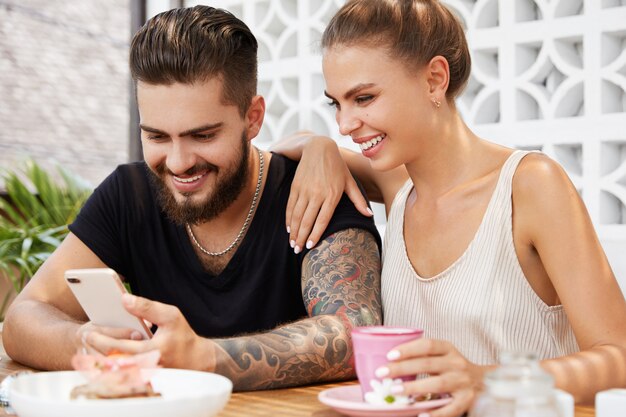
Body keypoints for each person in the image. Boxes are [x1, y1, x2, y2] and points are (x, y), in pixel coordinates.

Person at [2, 5, 383, 391]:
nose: (178, 163)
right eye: (157, 136)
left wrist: (206, 358)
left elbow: (356, 332)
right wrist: (85, 341)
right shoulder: (129, 195)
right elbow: (23, 317)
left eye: (202, 136)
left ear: (253, 118)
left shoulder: (316, 190)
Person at [273, 0, 626, 414]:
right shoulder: (397, 187)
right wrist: (321, 148)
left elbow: (618, 357)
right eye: (336, 103)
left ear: (435, 79)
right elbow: (279, 148)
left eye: (364, 98)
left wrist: (487, 381)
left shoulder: (531, 186)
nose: (345, 124)